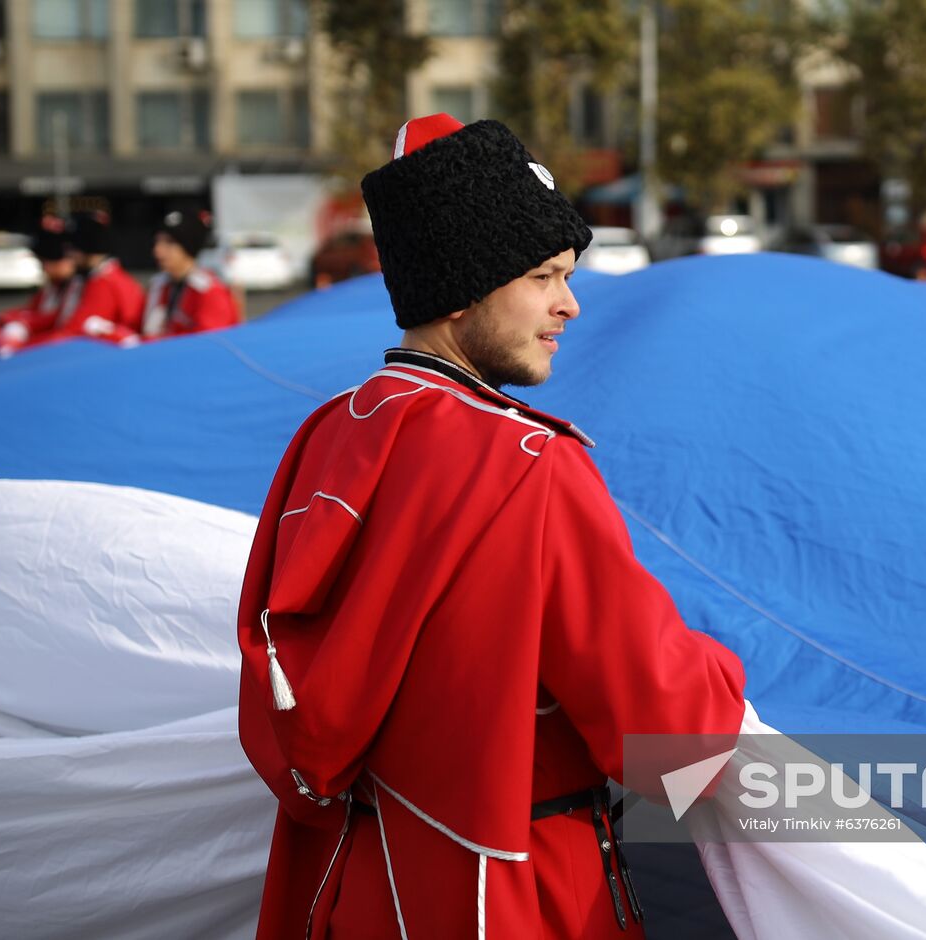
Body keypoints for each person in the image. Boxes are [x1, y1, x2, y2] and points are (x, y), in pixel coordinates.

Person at [236, 114, 747, 940]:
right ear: (464, 285)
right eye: (546, 276)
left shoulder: (325, 437)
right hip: (508, 892)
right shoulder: (529, 468)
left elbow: (285, 697)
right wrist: (727, 677)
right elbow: (669, 740)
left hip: (340, 887)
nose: (570, 305)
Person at [138, 210, 239, 339]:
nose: (157, 250)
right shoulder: (160, 286)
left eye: (169, 243)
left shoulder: (209, 292)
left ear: (188, 247)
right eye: (157, 242)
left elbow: (205, 347)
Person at [0, 219, 82, 358]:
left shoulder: (82, 285)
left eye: (48, 262)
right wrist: (11, 318)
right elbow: (35, 311)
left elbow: (69, 329)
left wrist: (24, 335)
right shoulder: (54, 286)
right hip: (51, 347)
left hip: (69, 352)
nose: (44, 267)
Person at [59, 210, 145, 346]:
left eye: (73, 248)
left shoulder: (104, 283)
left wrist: (23, 346)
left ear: (86, 247)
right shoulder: (105, 277)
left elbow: (72, 334)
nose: (69, 254)